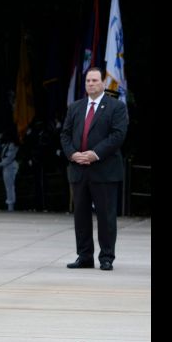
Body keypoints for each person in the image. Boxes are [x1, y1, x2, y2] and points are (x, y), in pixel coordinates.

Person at [60, 66, 128, 271]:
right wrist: (73, 154)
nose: (91, 84)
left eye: (95, 80)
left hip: (104, 170)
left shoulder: (116, 107)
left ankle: (106, 257)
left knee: (106, 217)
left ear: (103, 83)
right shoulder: (75, 107)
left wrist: (95, 153)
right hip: (79, 169)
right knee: (81, 216)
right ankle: (84, 256)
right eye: (88, 81)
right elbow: (65, 134)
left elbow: (117, 135)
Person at [0, 126, 19, 211]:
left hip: (10, 166)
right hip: (6, 166)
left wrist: (1, 164)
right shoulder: (6, 144)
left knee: (10, 186)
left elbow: (10, 158)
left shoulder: (13, 144)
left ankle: (11, 206)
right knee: (8, 186)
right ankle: (10, 205)